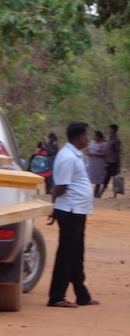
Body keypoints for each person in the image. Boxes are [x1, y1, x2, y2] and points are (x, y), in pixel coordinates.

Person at [47, 121, 99, 308]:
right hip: (70, 210)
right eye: (86, 135)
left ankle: (82, 295)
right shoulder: (68, 157)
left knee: (76, 254)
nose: (87, 138)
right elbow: (60, 186)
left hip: (77, 210)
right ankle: (56, 296)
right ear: (79, 137)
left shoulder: (74, 155)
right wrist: (55, 207)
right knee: (67, 255)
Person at [100, 124, 122, 197]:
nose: (109, 130)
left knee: (114, 178)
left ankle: (114, 194)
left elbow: (118, 153)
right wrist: (105, 162)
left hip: (114, 162)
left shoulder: (116, 140)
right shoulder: (109, 139)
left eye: (110, 129)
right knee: (107, 177)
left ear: (114, 130)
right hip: (109, 161)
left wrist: (119, 165)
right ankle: (101, 193)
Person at [85, 129, 107, 198]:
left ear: (98, 136)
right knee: (89, 177)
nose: (93, 136)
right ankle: (88, 192)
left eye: (95, 135)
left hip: (99, 163)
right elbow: (87, 150)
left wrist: (93, 154)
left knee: (98, 179)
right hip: (91, 163)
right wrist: (88, 153)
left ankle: (96, 193)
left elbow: (104, 154)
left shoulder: (103, 144)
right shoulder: (91, 143)